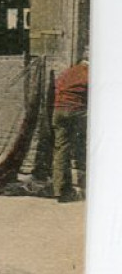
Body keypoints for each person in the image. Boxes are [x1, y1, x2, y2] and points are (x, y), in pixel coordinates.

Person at [52, 50, 89, 203]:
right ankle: (86, 187)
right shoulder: (88, 73)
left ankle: (61, 191)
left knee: (61, 150)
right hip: (76, 112)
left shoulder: (67, 72)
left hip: (59, 112)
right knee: (83, 148)